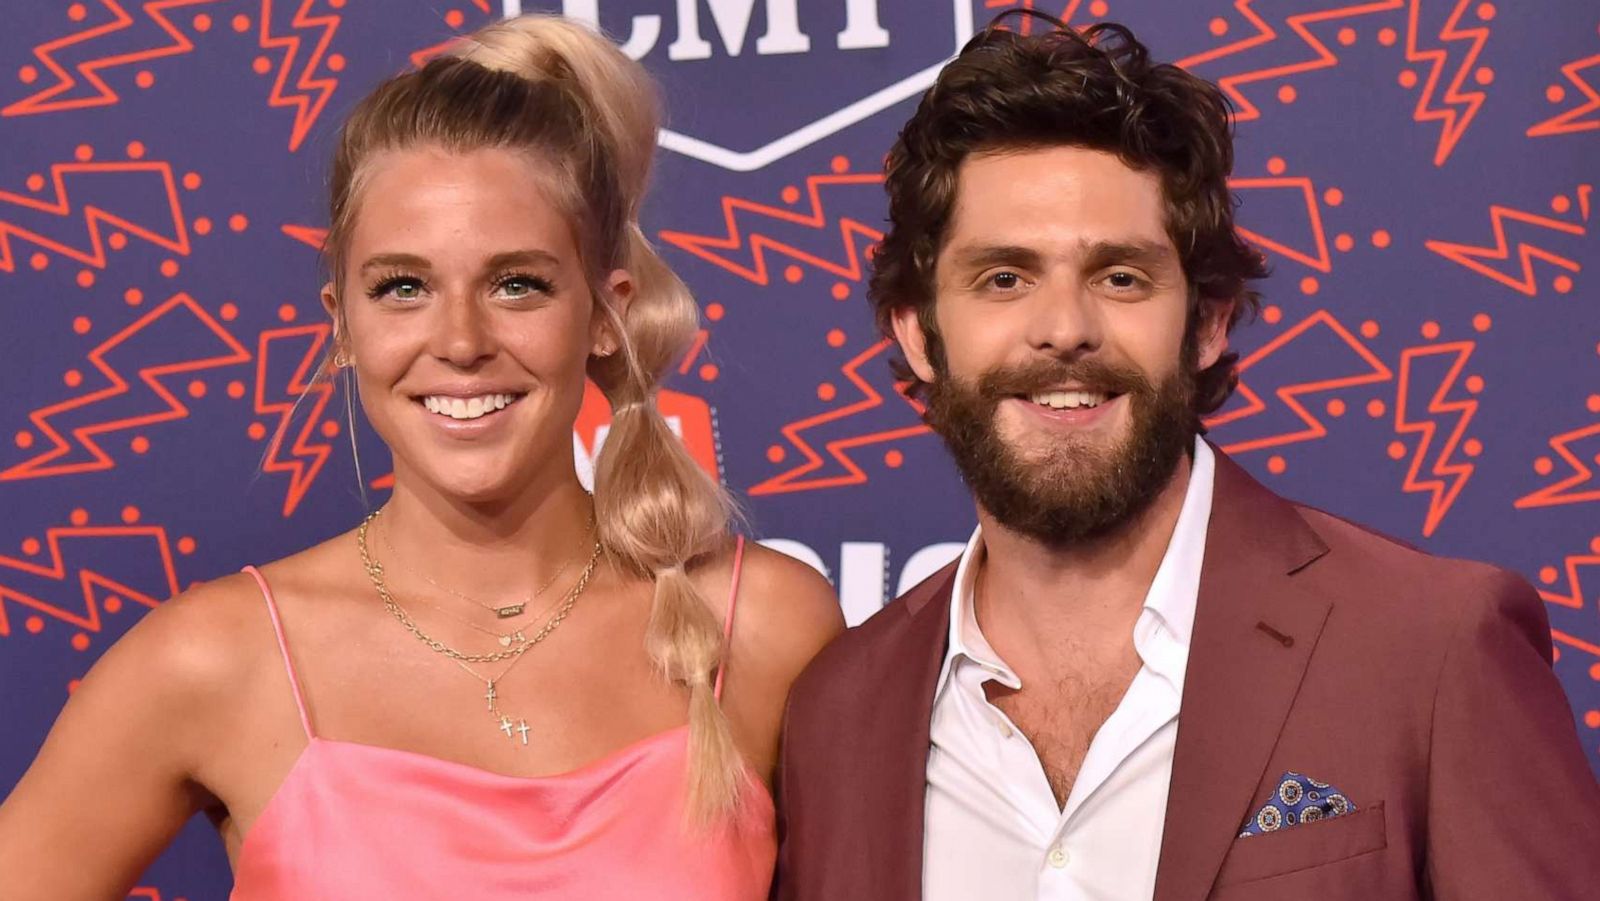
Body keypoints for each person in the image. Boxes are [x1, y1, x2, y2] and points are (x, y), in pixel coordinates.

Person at [0, 14, 841, 899]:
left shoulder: (763, 627)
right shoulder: (218, 657)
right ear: (343, 323)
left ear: (605, 314)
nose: (461, 340)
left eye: (518, 284)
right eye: (403, 288)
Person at [772, 14, 1600, 901]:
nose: (1064, 330)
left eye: (1120, 276)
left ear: (1207, 322)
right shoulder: (840, 710)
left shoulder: (1433, 648)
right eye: (1003, 277)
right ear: (920, 334)